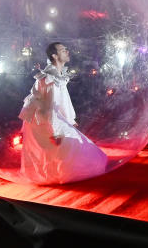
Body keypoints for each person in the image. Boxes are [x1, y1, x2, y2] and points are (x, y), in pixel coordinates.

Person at [18, 42, 107, 184]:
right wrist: (55, 130)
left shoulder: (57, 75)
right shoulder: (49, 78)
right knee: (59, 145)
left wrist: (69, 119)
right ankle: (54, 173)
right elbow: (47, 108)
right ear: (54, 55)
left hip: (50, 115)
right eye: (63, 50)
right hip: (42, 119)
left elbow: (62, 100)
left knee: (67, 145)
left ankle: (55, 171)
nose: (67, 51)